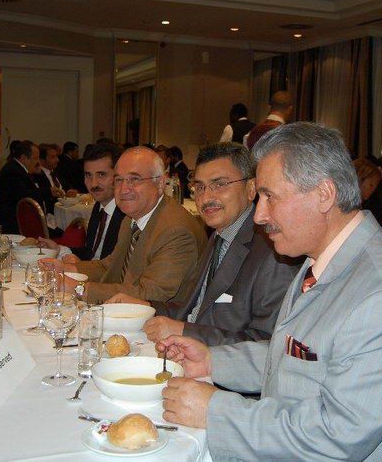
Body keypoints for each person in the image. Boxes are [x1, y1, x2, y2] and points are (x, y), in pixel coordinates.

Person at [157, 122, 382, 460]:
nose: (259, 215)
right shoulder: (325, 259)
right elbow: (298, 355)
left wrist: (216, 411)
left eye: (270, 197)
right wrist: (213, 361)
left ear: (324, 194)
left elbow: (336, 437)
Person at [106, 142, 301, 346]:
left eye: (220, 184)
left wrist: (186, 332)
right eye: (199, 187)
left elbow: (269, 344)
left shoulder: (273, 252)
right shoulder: (219, 236)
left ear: (251, 189)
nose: (206, 198)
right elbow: (193, 310)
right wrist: (145, 307)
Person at [53, 146, 206, 304]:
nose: (123, 190)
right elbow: (110, 266)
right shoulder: (132, 217)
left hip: (159, 316)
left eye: (134, 179)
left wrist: (80, 289)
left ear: (160, 183)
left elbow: (149, 294)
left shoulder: (176, 232)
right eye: (119, 180)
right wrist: (66, 269)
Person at [45, 142, 126, 261]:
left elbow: (113, 266)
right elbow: (91, 253)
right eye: (88, 175)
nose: (93, 184)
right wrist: (59, 250)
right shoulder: (99, 207)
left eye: (101, 175)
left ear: (118, 177)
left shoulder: (127, 216)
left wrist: (81, 267)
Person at [0, 140, 43, 234]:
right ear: (23, 158)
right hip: (15, 223)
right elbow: (26, 195)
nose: (38, 162)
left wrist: (38, 174)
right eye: (35, 158)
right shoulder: (12, 172)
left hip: (21, 217)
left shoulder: (17, 168)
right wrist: (48, 192)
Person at [33, 143, 66, 213]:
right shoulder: (36, 175)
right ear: (41, 160)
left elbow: (64, 188)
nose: (57, 160)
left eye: (57, 156)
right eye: (53, 157)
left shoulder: (57, 171)